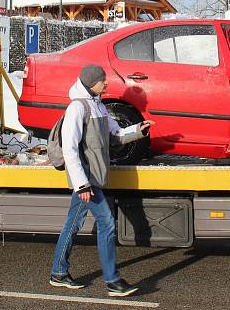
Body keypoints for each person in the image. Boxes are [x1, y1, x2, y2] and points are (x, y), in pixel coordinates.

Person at [49, 64, 154, 297]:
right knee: (106, 223)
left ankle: (58, 272)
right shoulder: (77, 108)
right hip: (87, 179)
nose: (106, 83)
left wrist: (139, 130)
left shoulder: (98, 106)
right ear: (90, 82)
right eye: (102, 80)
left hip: (94, 177)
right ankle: (113, 280)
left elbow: (115, 135)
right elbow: (70, 150)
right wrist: (82, 184)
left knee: (73, 224)